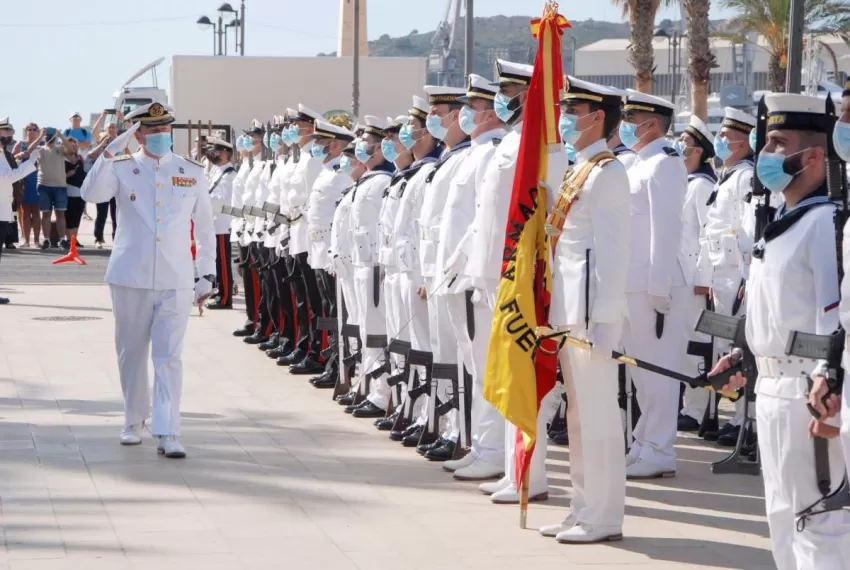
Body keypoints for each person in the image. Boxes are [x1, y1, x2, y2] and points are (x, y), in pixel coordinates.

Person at [713, 93, 850, 570]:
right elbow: (770, 312)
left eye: (777, 143)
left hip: (806, 392)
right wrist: (743, 358)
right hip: (771, 387)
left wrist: (828, 383)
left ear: (812, 156)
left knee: (817, 518)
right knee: (780, 514)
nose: (766, 154)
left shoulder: (825, 222)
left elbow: (833, 318)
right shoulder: (780, 224)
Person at [80, 102, 216, 459]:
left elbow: (204, 227)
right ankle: (132, 420)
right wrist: (111, 149)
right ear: (137, 133)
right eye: (152, 131)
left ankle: (168, 430)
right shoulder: (121, 167)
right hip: (130, 275)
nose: (160, 136)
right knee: (131, 352)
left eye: (164, 130)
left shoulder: (191, 171)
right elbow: (91, 194)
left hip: (176, 277)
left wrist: (207, 273)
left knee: (169, 356)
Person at [536, 77, 631, 544]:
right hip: (571, 310)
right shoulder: (583, 169)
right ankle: (581, 508)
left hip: (593, 316)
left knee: (598, 419)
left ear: (597, 117)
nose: (566, 117)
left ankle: (605, 515)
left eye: (574, 110)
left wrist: (605, 322)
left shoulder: (609, 172)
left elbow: (613, 255)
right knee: (578, 418)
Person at [468, 59, 566, 503]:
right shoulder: (511, 144)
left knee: (527, 378)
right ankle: (513, 469)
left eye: (509, 92)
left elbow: (548, 218)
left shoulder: (546, 148)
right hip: (496, 274)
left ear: (530, 96)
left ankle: (533, 475)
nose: (500, 100)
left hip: (521, 277)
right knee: (506, 372)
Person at [437, 73, 507, 478]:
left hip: (472, 278)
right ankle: (482, 444)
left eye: (470, 107)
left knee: (484, 367)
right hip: (456, 276)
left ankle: (492, 449)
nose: (463, 114)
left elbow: (483, 220)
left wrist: (460, 266)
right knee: (473, 365)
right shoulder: (469, 154)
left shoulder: (490, 152)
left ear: (488, 112)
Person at [619, 90, 689, 480]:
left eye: (635, 118)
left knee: (659, 372)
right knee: (641, 373)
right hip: (633, 283)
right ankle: (644, 442)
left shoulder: (664, 162)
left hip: (655, 285)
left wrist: (659, 286)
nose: (628, 124)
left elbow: (666, 228)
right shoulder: (636, 163)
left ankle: (661, 449)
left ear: (653, 123)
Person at [694, 107, 757, 445]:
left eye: (726, 135)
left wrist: (747, 278)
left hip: (735, 275)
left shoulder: (746, 176)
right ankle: (725, 414)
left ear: (745, 142)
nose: (720, 140)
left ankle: (744, 419)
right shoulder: (729, 174)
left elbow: (746, 232)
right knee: (723, 348)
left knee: (738, 348)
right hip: (721, 274)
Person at [389, 96, 443, 445]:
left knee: (428, 347)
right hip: (402, 269)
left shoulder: (430, 171)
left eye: (412, 126)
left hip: (420, 274)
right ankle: (417, 411)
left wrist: (424, 274)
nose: (406, 133)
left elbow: (430, 228)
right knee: (411, 346)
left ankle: (434, 418)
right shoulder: (413, 173)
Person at [342, 116, 395, 419]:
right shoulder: (368, 181)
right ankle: (369, 383)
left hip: (375, 265)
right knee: (365, 330)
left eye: (368, 144)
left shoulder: (383, 181)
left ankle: (381, 392)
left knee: (376, 331)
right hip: (360, 265)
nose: (361, 150)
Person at [304, 119, 355, 387]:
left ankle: (340, 367)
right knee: (327, 308)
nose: (315, 147)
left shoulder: (341, 174)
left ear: (334, 145)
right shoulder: (326, 172)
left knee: (338, 311)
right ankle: (331, 361)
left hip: (333, 251)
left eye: (320, 142)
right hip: (319, 249)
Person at [674, 115, 718, 432]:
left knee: (696, 344)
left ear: (698, 151)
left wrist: (704, 279)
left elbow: (709, 235)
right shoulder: (689, 183)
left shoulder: (702, 186)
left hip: (693, 279)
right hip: (681, 276)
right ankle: (692, 404)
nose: (680, 147)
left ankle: (698, 408)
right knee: (684, 344)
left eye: (685, 144)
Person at [372, 114, 414, 420]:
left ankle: (419, 411)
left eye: (394, 138)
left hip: (410, 270)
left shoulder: (415, 176)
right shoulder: (398, 179)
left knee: (416, 343)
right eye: (384, 139)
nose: (388, 144)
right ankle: (400, 404)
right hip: (391, 268)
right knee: (394, 341)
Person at [281, 104, 325, 374]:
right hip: (296, 232)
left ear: (311, 128)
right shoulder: (300, 158)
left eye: (298, 126)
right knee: (302, 296)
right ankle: (306, 345)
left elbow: (311, 202)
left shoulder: (311, 161)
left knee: (313, 299)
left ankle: (316, 351)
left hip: (308, 235)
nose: (293, 130)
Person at [0, 117, 37, 305]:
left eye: (9, 135)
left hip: (3, 209)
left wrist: (20, 161)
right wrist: (29, 165)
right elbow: (7, 178)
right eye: (4, 135)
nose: (7, 138)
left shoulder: (3, 153)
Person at [205, 138, 236, 309]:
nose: (212, 154)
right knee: (216, 261)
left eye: (215, 151)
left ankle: (225, 298)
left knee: (223, 263)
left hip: (223, 225)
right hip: (214, 224)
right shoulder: (217, 171)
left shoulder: (230, 176)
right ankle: (218, 292)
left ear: (224, 154)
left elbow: (225, 200)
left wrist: (205, 199)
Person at [31, 127, 69, 250]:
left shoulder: (60, 148)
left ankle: (62, 240)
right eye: (48, 136)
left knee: (60, 214)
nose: (49, 138)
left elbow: (71, 150)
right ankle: (46, 240)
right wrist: (39, 136)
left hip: (60, 186)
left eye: (50, 136)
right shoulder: (40, 150)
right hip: (44, 185)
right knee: (46, 214)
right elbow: (29, 150)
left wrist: (61, 136)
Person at [12, 123, 41, 247]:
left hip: (38, 179)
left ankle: (37, 240)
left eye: (35, 129)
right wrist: (19, 155)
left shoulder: (42, 144)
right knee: (24, 211)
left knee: (36, 212)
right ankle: (26, 239)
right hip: (24, 180)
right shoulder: (20, 144)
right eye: (30, 129)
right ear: (26, 131)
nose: (32, 131)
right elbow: (11, 158)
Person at [63, 137, 88, 248]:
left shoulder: (80, 158)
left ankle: (74, 240)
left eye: (75, 145)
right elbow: (58, 177)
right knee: (69, 217)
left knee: (77, 217)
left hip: (80, 193)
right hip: (68, 193)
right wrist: (68, 175)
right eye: (71, 145)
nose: (74, 147)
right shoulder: (62, 159)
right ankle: (68, 240)